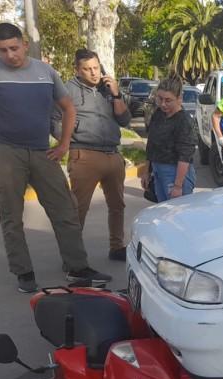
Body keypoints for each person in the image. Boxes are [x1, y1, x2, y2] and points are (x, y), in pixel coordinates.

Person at [0, 23, 111, 292]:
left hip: (43, 150)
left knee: (65, 209)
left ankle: (77, 268)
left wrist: (64, 143)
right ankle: (24, 273)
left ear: (24, 44)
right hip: (5, 152)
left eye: (13, 48)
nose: (9, 55)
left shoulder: (45, 71)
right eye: (2, 50)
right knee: (11, 214)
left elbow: (68, 108)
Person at [52, 49, 132, 262]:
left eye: (96, 68)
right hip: (84, 155)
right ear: (77, 69)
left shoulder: (108, 88)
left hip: (113, 154)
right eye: (87, 69)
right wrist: (68, 140)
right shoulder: (67, 90)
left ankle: (117, 247)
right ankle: (72, 256)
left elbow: (124, 119)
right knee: (78, 209)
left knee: (117, 206)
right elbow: (54, 120)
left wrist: (115, 93)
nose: (94, 73)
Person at [141, 77, 196, 202]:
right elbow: (151, 144)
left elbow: (185, 156)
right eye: (160, 99)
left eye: (168, 100)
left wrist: (178, 186)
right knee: (163, 212)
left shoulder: (184, 121)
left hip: (176, 173)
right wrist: (146, 172)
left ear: (179, 98)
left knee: (177, 214)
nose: (163, 104)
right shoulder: (158, 114)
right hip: (157, 170)